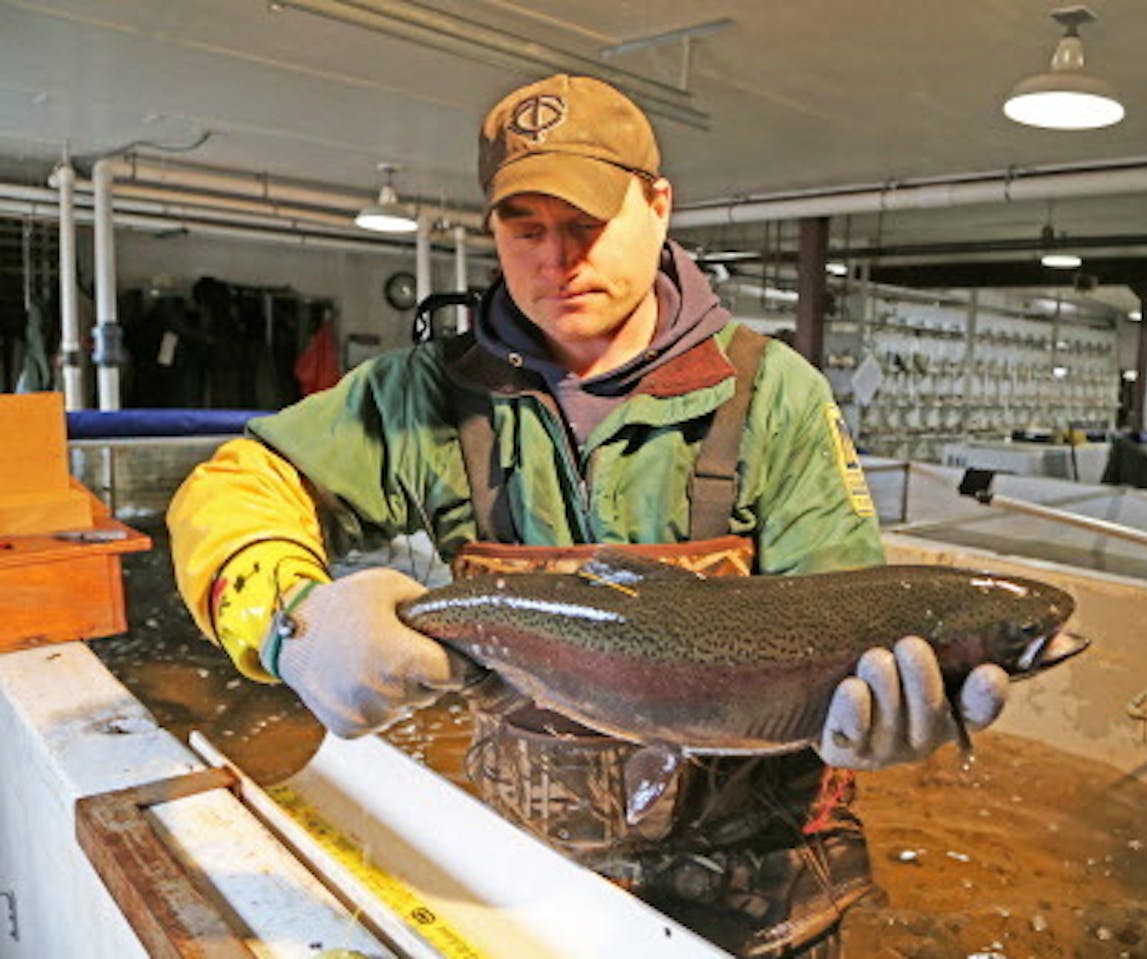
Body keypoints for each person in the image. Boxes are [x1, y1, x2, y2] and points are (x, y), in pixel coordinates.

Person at [168, 74, 1008, 958]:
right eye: (523, 228)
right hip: (520, 872)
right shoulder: (424, 394)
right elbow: (239, 485)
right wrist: (291, 619)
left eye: (586, 226)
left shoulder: (772, 395)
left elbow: (844, 610)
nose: (555, 259)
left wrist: (869, 715)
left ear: (658, 205)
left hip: (761, 886)